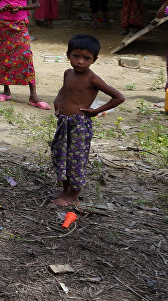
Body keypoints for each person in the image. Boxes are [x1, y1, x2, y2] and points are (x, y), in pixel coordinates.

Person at [50, 34, 124, 206]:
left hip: (80, 125)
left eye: (86, 58)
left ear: (94, 60)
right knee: (61, 155)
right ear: (68, 55)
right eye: (76, 56)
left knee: (76, 158)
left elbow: (119, 97)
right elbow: (64, 90)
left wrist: (96, 111)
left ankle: (74, 195)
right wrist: (57, 102)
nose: (80, 61)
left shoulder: (93, 79)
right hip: (64, 122)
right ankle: (65, 189)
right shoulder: (68, 73)